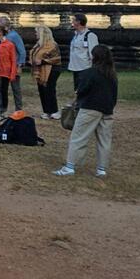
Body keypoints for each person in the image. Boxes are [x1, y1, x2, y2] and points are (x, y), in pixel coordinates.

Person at [54, 45, 117, 177]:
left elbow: (82, 91)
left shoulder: (90, 73)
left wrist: (78, 95)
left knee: (79, 137)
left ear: (95, 57)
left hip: (90, 108)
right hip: (107, 110)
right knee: (104, 140)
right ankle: (101, 169)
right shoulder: (112, 75)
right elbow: (114, 95)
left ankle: (70, 166)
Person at [29, 25, 63, 119]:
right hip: (40, 70)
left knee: (50, 89)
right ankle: (46, 111)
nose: (35, 34)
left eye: (37, 32)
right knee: (42, 90)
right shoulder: (38, 45)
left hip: (52, 69)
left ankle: (54, 110)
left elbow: (56, 58)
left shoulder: (52, 44)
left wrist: (43, 61)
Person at [0, 16, 26, 112]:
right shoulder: (2, 37)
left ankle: (19, 108)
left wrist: (20, 65)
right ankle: (2, 108)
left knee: (15, 88)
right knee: (2, 89)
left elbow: (22, 51)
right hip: (3, 67)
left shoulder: (14, 36)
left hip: (14, 66)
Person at [0, 22, 18, 118]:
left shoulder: (9, 44)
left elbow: (13, 59)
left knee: (3, 91)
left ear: (1, 32)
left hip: (5, 71)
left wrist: (12, 73)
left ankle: (3, 109)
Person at [67, 13, 99, 81]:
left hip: (85, 68)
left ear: (78, 22)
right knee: (77, 90)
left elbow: (93, 53)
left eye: (73, 20)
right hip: (75, 67)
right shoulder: (76, 35)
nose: (72, 22)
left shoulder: (90, 35)